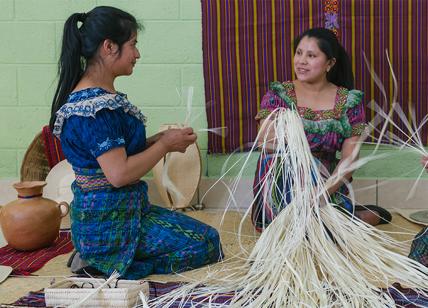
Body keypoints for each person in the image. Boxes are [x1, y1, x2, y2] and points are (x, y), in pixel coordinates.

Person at [49, 6, 223, 279]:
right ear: (109, 47)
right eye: (133, 45)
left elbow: (117, 155)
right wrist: (164, 147)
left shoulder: (97, 102)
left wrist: (161, 139)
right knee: (207, 242)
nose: (137, 54)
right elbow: (119, 174)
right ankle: (111, 264)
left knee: (202, 236)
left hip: (121, 214)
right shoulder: (96, 110)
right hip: (111, 225)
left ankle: (100, 259)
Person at [252, 27, 391, 231]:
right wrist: (304, 162)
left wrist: (322, 192)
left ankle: (360, 217)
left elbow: (350, 159)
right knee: (289, 231)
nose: (301, 61)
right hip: (281, 183)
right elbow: (267, 142)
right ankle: (351, 217)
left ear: (330, 63)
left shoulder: (348, 101)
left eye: (311, 55)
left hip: (326, 182)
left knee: (328, 232)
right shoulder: (279, 95)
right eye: (298, 53)